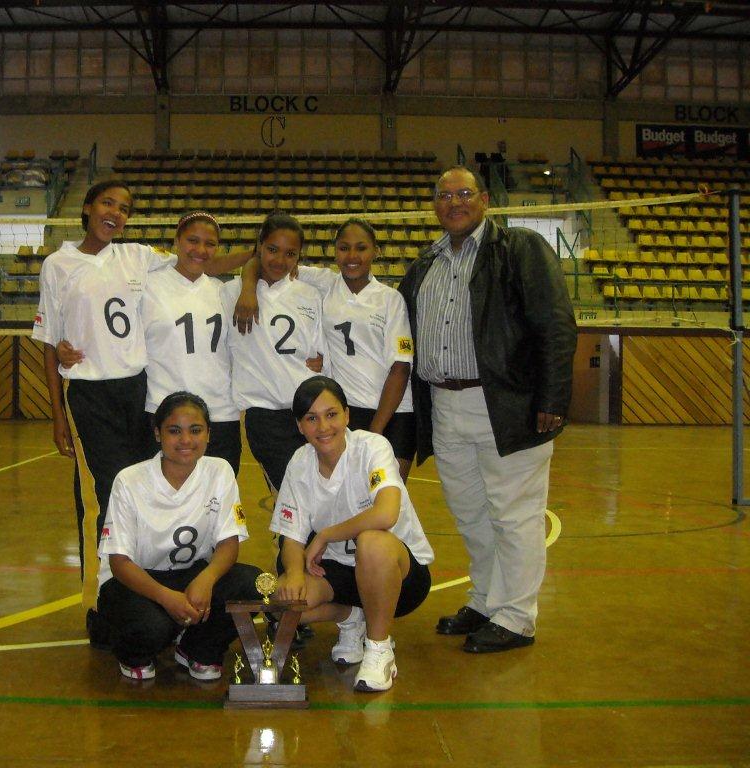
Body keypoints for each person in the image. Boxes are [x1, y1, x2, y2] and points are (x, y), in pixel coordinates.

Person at [397, 165, 577, 653]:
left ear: (484, 201)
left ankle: (517, 617)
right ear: (433, 205)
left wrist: (552, 399)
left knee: (514, 514)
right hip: (444, 406)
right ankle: (485, 599)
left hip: (506, 403)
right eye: (444, 195)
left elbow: (556, 324)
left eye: (464, 193)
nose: (454, 202)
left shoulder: (519, 250)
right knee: (471, 513)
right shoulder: (423, 266)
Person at [34, 181, 248, 580]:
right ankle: (100, 593)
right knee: (103, 494)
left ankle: (144, 581)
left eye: (124, 207)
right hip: (90, 391)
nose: (115, 212)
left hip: (137, 392)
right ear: (87, 207)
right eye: (107, 203)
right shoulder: (58, 265)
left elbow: (202, 263)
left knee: (139, 495)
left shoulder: (138, 257)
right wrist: (58, 414)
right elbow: (49, 342)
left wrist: (258, 258)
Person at [270, 376, 433, 693]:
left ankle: (379, 648)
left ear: (347, 415)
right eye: (311, 418)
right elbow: (290, 536)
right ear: (300, 426)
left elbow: (386, 513)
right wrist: (292, 573)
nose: (323, 427)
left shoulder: (372, 447)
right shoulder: (300, 463)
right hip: (340, 574)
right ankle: (352, 616)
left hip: (400, 574)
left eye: (331, 414)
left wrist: (327, 534)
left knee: (373, 541)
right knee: (283, 601)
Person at [95, 391, 260, 681]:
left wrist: (206, 580)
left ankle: (197, 648)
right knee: (152, 627)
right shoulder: (130, 480)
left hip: (191, 575)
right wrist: (167, 598)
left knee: (251, 584)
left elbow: (228, 543)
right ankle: (134, 653)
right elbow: (119, 561)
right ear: (158, 434)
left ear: (209, 434)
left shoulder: (219, 471)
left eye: (195, 430)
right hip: (135, 581)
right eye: (174, 431)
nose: (185, 440)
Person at [238, 218, 415, 479]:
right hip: (345, 414)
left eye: (361, 248)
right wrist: (248, 290)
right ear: (335, 251)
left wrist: (374, 432)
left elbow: (400, 369)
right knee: (348, 499)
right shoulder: (324, 283)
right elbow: (260, 261)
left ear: (376, 251)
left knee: (387, 499)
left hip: (393, 413)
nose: (352, 256)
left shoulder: (390, 299)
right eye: (344, 248)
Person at [220, 211, 325, 493]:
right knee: (292, 497)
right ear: (259, 247)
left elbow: (320, 354)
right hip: (265, 416)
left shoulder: (310, 295)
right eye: (272, 250)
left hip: (309, 412)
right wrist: (247, 284)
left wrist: (323, 362)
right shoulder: (230, 294)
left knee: (321, 496)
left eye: (290, 253)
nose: (279, 260)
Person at [138, 212, 241, 475]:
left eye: (210, 244)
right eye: (192, 241)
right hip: (165, 410)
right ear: (177, 241)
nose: (201, 250)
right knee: (163, 501)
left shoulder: (224, 291)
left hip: (220, 413)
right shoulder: (148, 287)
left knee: (217, 501)